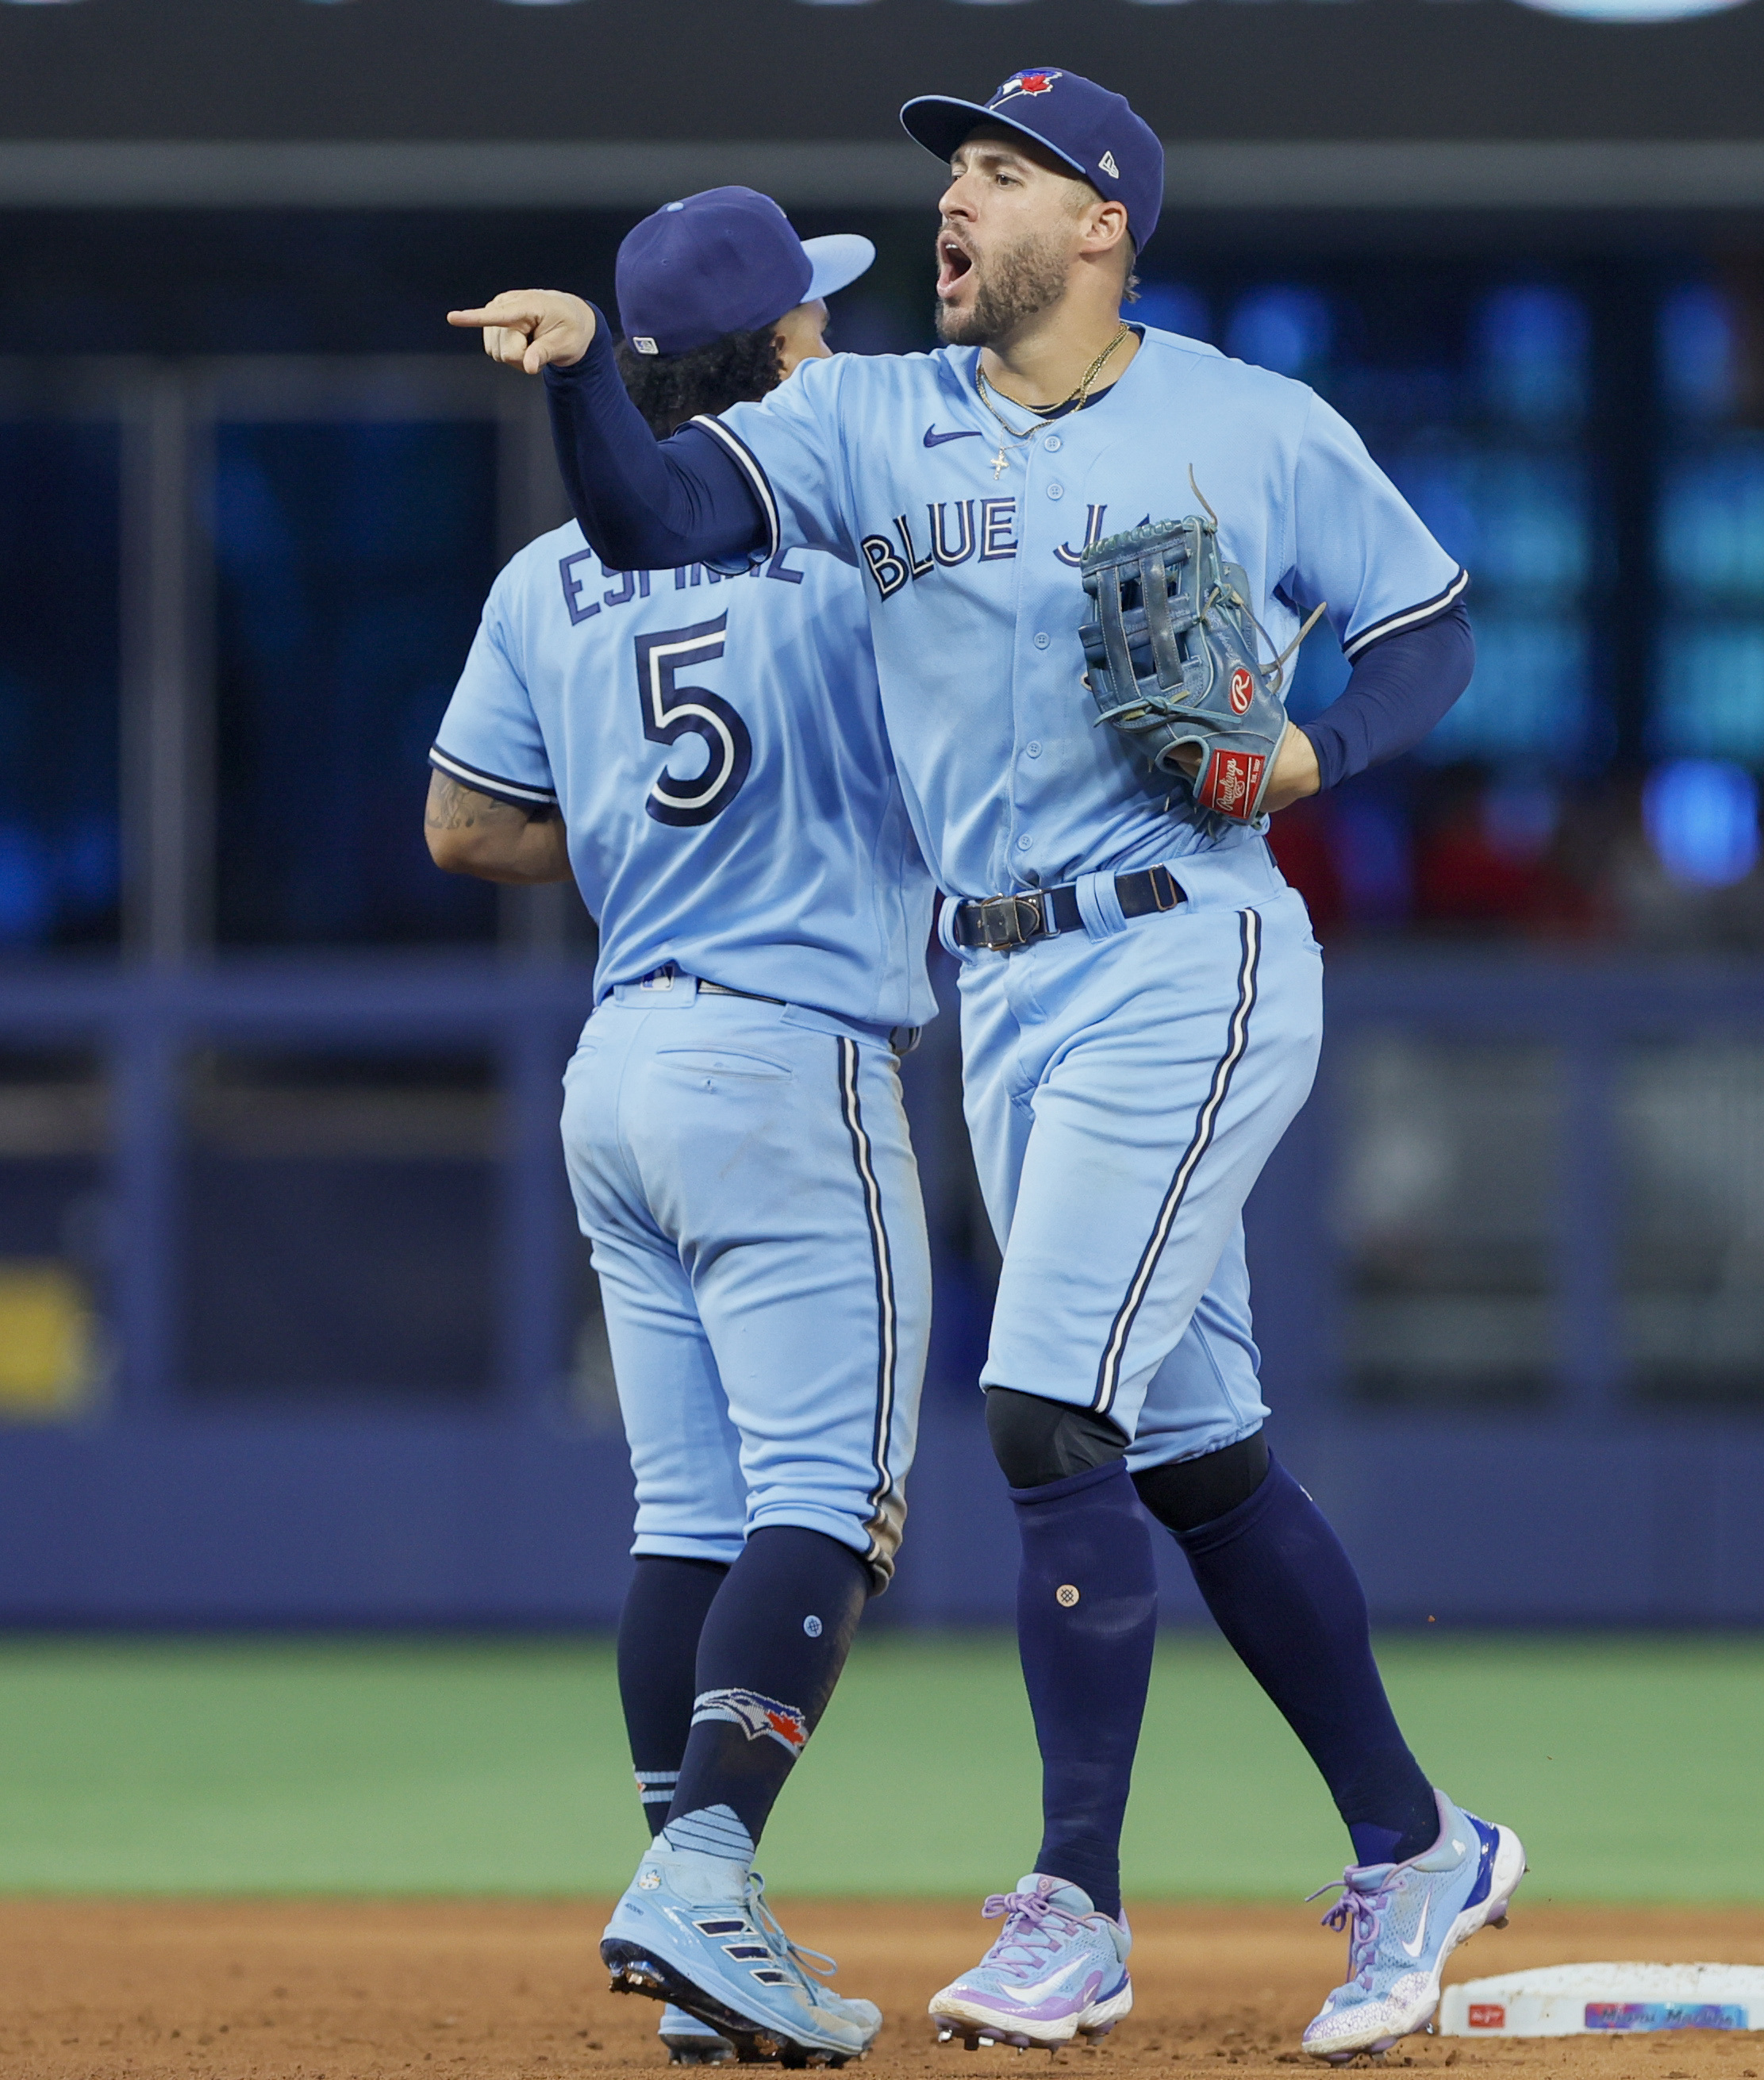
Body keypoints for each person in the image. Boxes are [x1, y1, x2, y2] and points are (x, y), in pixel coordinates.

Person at [448, 63, 1509, 2065]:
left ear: (1103, 222)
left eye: (1001, 177)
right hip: (1001, 994)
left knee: (1040, 1414)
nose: (954, 204)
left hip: (1186, 944)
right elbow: (666, 507)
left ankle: (1075, 1907)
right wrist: (584, 379)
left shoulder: (1248, 423)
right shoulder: (864, 417)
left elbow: (1430, 624)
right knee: (1193, 1453)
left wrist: (1312, 753)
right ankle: (1414, 1842)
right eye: (950, 175)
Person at [428, 188, 930, 2068]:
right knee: (831, 1500)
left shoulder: (544, 574)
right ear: (788, 351)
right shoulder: (856, 548)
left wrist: (644, 842)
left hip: (620, 1063)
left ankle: (700, 1920)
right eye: (820, 319)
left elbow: (464, 829)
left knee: (689, 1511)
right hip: (791, 1054)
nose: (837, 340)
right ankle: (705, 1878)